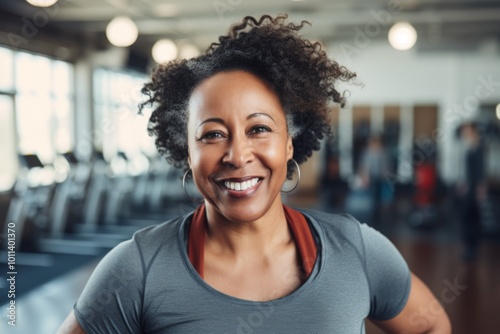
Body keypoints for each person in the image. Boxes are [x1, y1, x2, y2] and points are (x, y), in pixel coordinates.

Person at [58, 14, 451, 333]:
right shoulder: (136, 268)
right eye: (212, 134)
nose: (236, 155)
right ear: (186, 152)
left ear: (290, 143)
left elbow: (431, 324)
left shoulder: (358, 250)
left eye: (259, 129)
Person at [457, 122, 486, 261]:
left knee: (472, 217)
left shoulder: (478, 147)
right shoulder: (469, 147)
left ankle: (472, 248)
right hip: (468, 187)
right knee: (466, 217)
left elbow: (480, 170)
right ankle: (468, 247)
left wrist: (480, 189)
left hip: (474, 188)